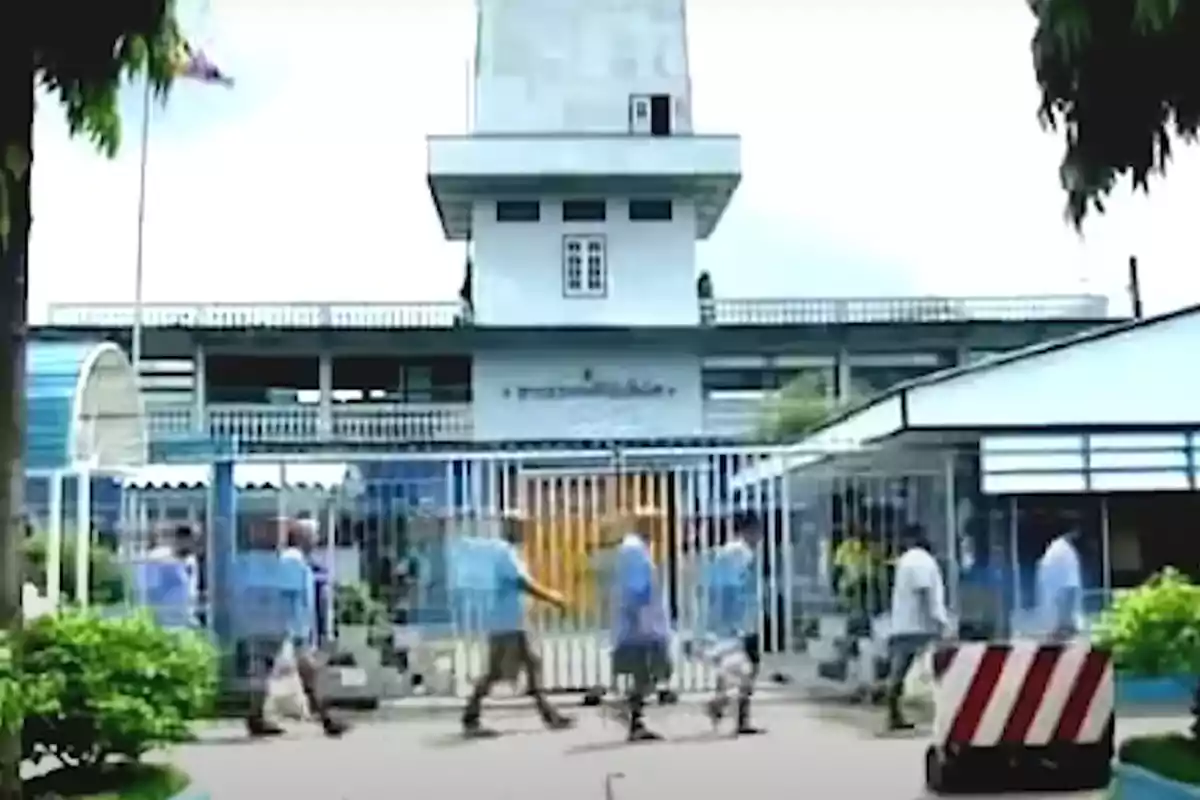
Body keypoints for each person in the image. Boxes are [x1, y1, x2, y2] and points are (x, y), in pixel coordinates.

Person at [461, 513, 575, 738]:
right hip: (509, 622)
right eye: (520, 526)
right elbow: (522, 583)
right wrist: (553, 597)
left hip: (509, 621)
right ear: (510, 527)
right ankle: (472, 715)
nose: (524, 531)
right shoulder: (505, 553)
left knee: (525, 666)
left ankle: (548, 714)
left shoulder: (505, 552)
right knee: (507, 670)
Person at [246, 518, 349, 739]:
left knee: (271, 674)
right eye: (312, 536)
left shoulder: (291, 561)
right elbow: (293, 598)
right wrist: (302, 631)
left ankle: (257, 717)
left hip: (283, 626)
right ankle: (326, 719)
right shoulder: (293, 562)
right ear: (302, 538)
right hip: (288, 626)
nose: (315, 540)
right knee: (308, 675)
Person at [701, 510, 766, 735]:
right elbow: (734, 588)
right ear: (751, 530)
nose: (760, 537)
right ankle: (738, 716)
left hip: (726, 621)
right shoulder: (742, 553)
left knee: (729, 665)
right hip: (741, 621)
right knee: (750, 667)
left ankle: (722, 704)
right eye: (759, 531)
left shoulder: (725, 552)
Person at [610, 509, 672, 742]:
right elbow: (637, 589)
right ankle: (629, 712)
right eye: (656, 523)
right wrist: (640, 621)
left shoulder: (635, 549)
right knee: (654, 671)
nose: (660, 529)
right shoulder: (635, 551)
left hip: (642, 623)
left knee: (645, 674)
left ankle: (633, 717)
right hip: (642, 625)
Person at [885, 524, 949, 732]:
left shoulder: (905, 560)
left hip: (902, 624)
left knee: (898, 673)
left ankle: (893, 714)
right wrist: (939, 620)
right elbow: (924, 591)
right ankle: (943, 715)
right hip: (921, 626)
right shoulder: (921, 560)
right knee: (938, 672)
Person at [1036, 527, 1084, 641]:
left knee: (1065, 609)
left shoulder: (1059, 548)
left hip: (1065, 585)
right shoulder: (1062, 548)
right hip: (1066, 585)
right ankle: (1064, 629)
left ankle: (1065, 628)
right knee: (1065, 609)